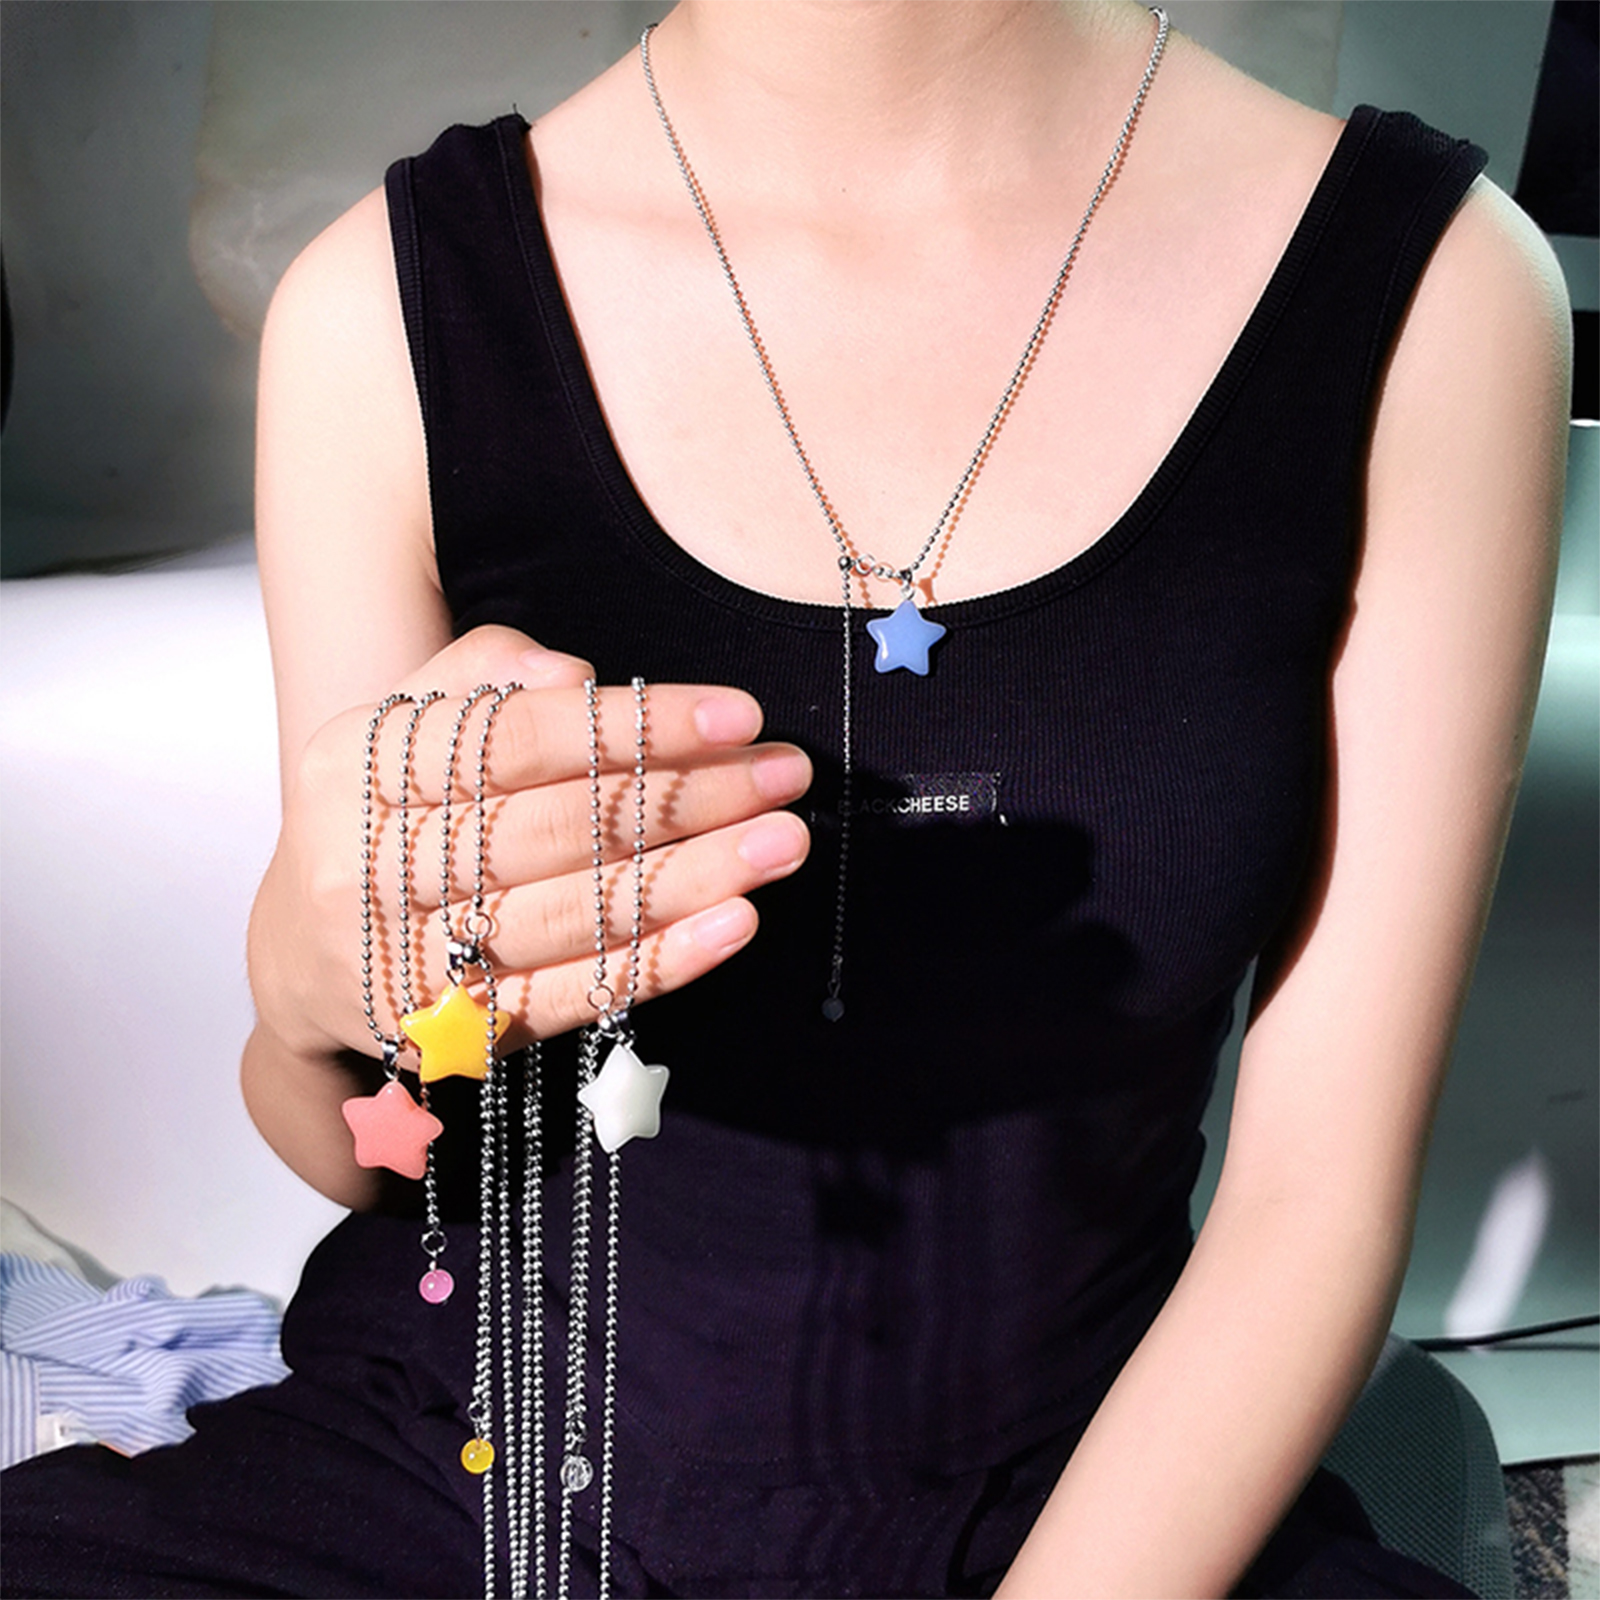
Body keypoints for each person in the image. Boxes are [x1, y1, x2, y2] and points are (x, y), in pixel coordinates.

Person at [2, 2, 1571, 1596]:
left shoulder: (1432, 295)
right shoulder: (385, 311)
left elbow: (1316, 1203)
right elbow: (388, 1150)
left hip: (1085, 1516)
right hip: (453, 1480)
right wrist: (298, 1007)